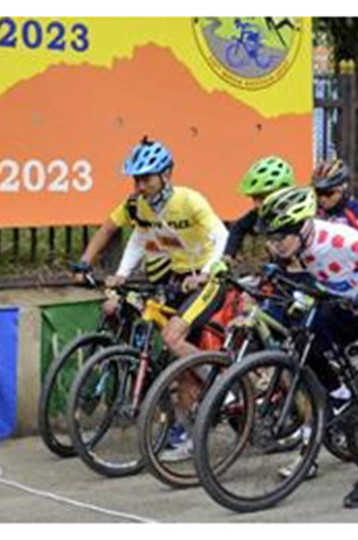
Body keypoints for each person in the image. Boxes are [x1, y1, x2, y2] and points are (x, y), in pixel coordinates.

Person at [257, 186, 358, 509]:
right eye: (271, 239)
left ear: (303, 228)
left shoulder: (339, 239)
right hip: (350, 306)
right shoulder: (294, 247)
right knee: (303, 333)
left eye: (280, 239)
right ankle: (340, 394)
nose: (275, 246)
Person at [72, 137, 230, 462]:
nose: (140, 185)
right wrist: (122, 273)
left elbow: (222, 235)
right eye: (136, 179)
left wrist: (207, 271)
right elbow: (139, 239)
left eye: (146, 178)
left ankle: (224, 385)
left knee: (172, 337)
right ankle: (188, 430)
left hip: (205, 280)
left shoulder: (188, 200)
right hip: (177, 281)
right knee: (180, 363)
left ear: (166, 174)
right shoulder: (140, 206)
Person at [224, 155, 297, 263]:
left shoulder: (296, 218)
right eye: (254, 198)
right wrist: (228, 254)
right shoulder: (258, 214)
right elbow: (238, 228)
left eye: (262, 198)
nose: (257, 204)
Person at [310, 158, 358, 238]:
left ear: (342, 189)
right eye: (318, 192)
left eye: (328, 193)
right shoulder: (313, 213)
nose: (322, 199)